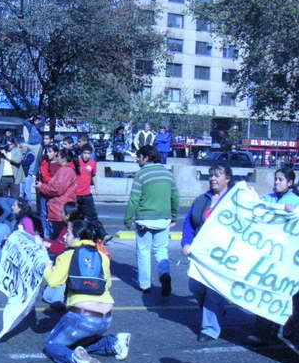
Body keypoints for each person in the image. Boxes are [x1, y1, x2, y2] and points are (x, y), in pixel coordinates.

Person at [43, 219, 131, 363]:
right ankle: (114, 342)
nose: (64, 237)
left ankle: (75, 358)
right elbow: (107, 284)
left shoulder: (68, 255)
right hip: (106, 318)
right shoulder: (102, 255)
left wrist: (48, 267)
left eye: (68, 233)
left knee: (52, 345)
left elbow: (53, 280)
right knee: (78, 341)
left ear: (77, 237)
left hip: (82, 317)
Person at [246, 167, 299, 346]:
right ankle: (263, 332)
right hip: (270, 256)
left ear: (290, 183)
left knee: (285, 297)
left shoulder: (295, 202)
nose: (277, 182)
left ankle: (283, 328)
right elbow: (257, 207)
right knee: (267, 293)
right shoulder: (269, 198)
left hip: (288, 260)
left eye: (281, 179)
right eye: (276, 179)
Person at [181, 164, 234, 342]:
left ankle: (210, 329)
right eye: (211, 175)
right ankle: (216, 310)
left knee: (213, 291)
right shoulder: (202, 199)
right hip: (199, 254)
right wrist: (186, 242)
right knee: (195, 287)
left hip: (222, 255)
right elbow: (189, 223)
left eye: (217, 175)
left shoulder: (235, 200)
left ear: (227, 179)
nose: (212, 178)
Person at [125, 145, 179, 296]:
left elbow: (134, 200)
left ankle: (145, 285)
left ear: (146, 157)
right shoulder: (167, 174)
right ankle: (164, 274)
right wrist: (174, 216)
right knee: (161, 250)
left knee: (143, 251)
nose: (137, 159)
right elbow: (175, 197)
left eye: (139, 156)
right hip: (163, 219)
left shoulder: (141, 174)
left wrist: (128, 219)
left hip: (144, 220)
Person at [35, 149, 78, 239]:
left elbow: (57, 189)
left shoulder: (66, 170)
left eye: (58, 156)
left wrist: (41, 186)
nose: (56, 158)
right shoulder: (65, 170)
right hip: (59, 208)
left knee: (57, 238)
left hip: (59, 209)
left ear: (63, 158)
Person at [76, 144, 107, 238]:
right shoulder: (76, 162)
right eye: (84, 153)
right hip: (76, 194)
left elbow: (93, 176)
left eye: (88, 154)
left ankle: (102, 235)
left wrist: (97, 188)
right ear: (81, 153)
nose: (86, 155)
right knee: (77, 217)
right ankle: (78, 235)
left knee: (93, 216)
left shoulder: (92, 163)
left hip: (86, 194)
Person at [38, 145, 60, 238]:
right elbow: (45, 176)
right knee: (44, 214)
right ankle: (46, 235)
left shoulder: (60, 163)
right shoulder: (45, 162)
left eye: (50, 151)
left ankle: (55, 234)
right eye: (47, 151)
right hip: (45, 191)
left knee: (55, 214)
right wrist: (54, 182)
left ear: (56, 153)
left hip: (56, 193)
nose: (48, 154)